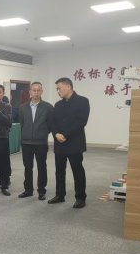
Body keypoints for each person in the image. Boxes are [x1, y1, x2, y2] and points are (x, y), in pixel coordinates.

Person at [48, 77, 90, 209]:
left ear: (68, 87)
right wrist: (56, 133)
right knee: (59, 171)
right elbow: (53, 122)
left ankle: (80, 197)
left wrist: (65, 134)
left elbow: (81, 122)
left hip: (74, 142)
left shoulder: (83, 101)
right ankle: (60, 195)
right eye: (57, 89)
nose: (58, 91)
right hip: (59, 143)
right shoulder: (58, 105)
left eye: (59, 88)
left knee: (77, 171)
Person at [18, 82, 54, 201]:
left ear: (42, 92)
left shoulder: (48, 107)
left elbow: (51, 124)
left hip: (41, 142)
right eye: (34, 90)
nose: (36, 92)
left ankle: (41, 191)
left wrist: (43, 133)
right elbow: (21, 123)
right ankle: (28, 190)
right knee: (27, 167)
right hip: (26, 142)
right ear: (30, 92)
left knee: (41, 166)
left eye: (38, 90)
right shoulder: (22, 107)